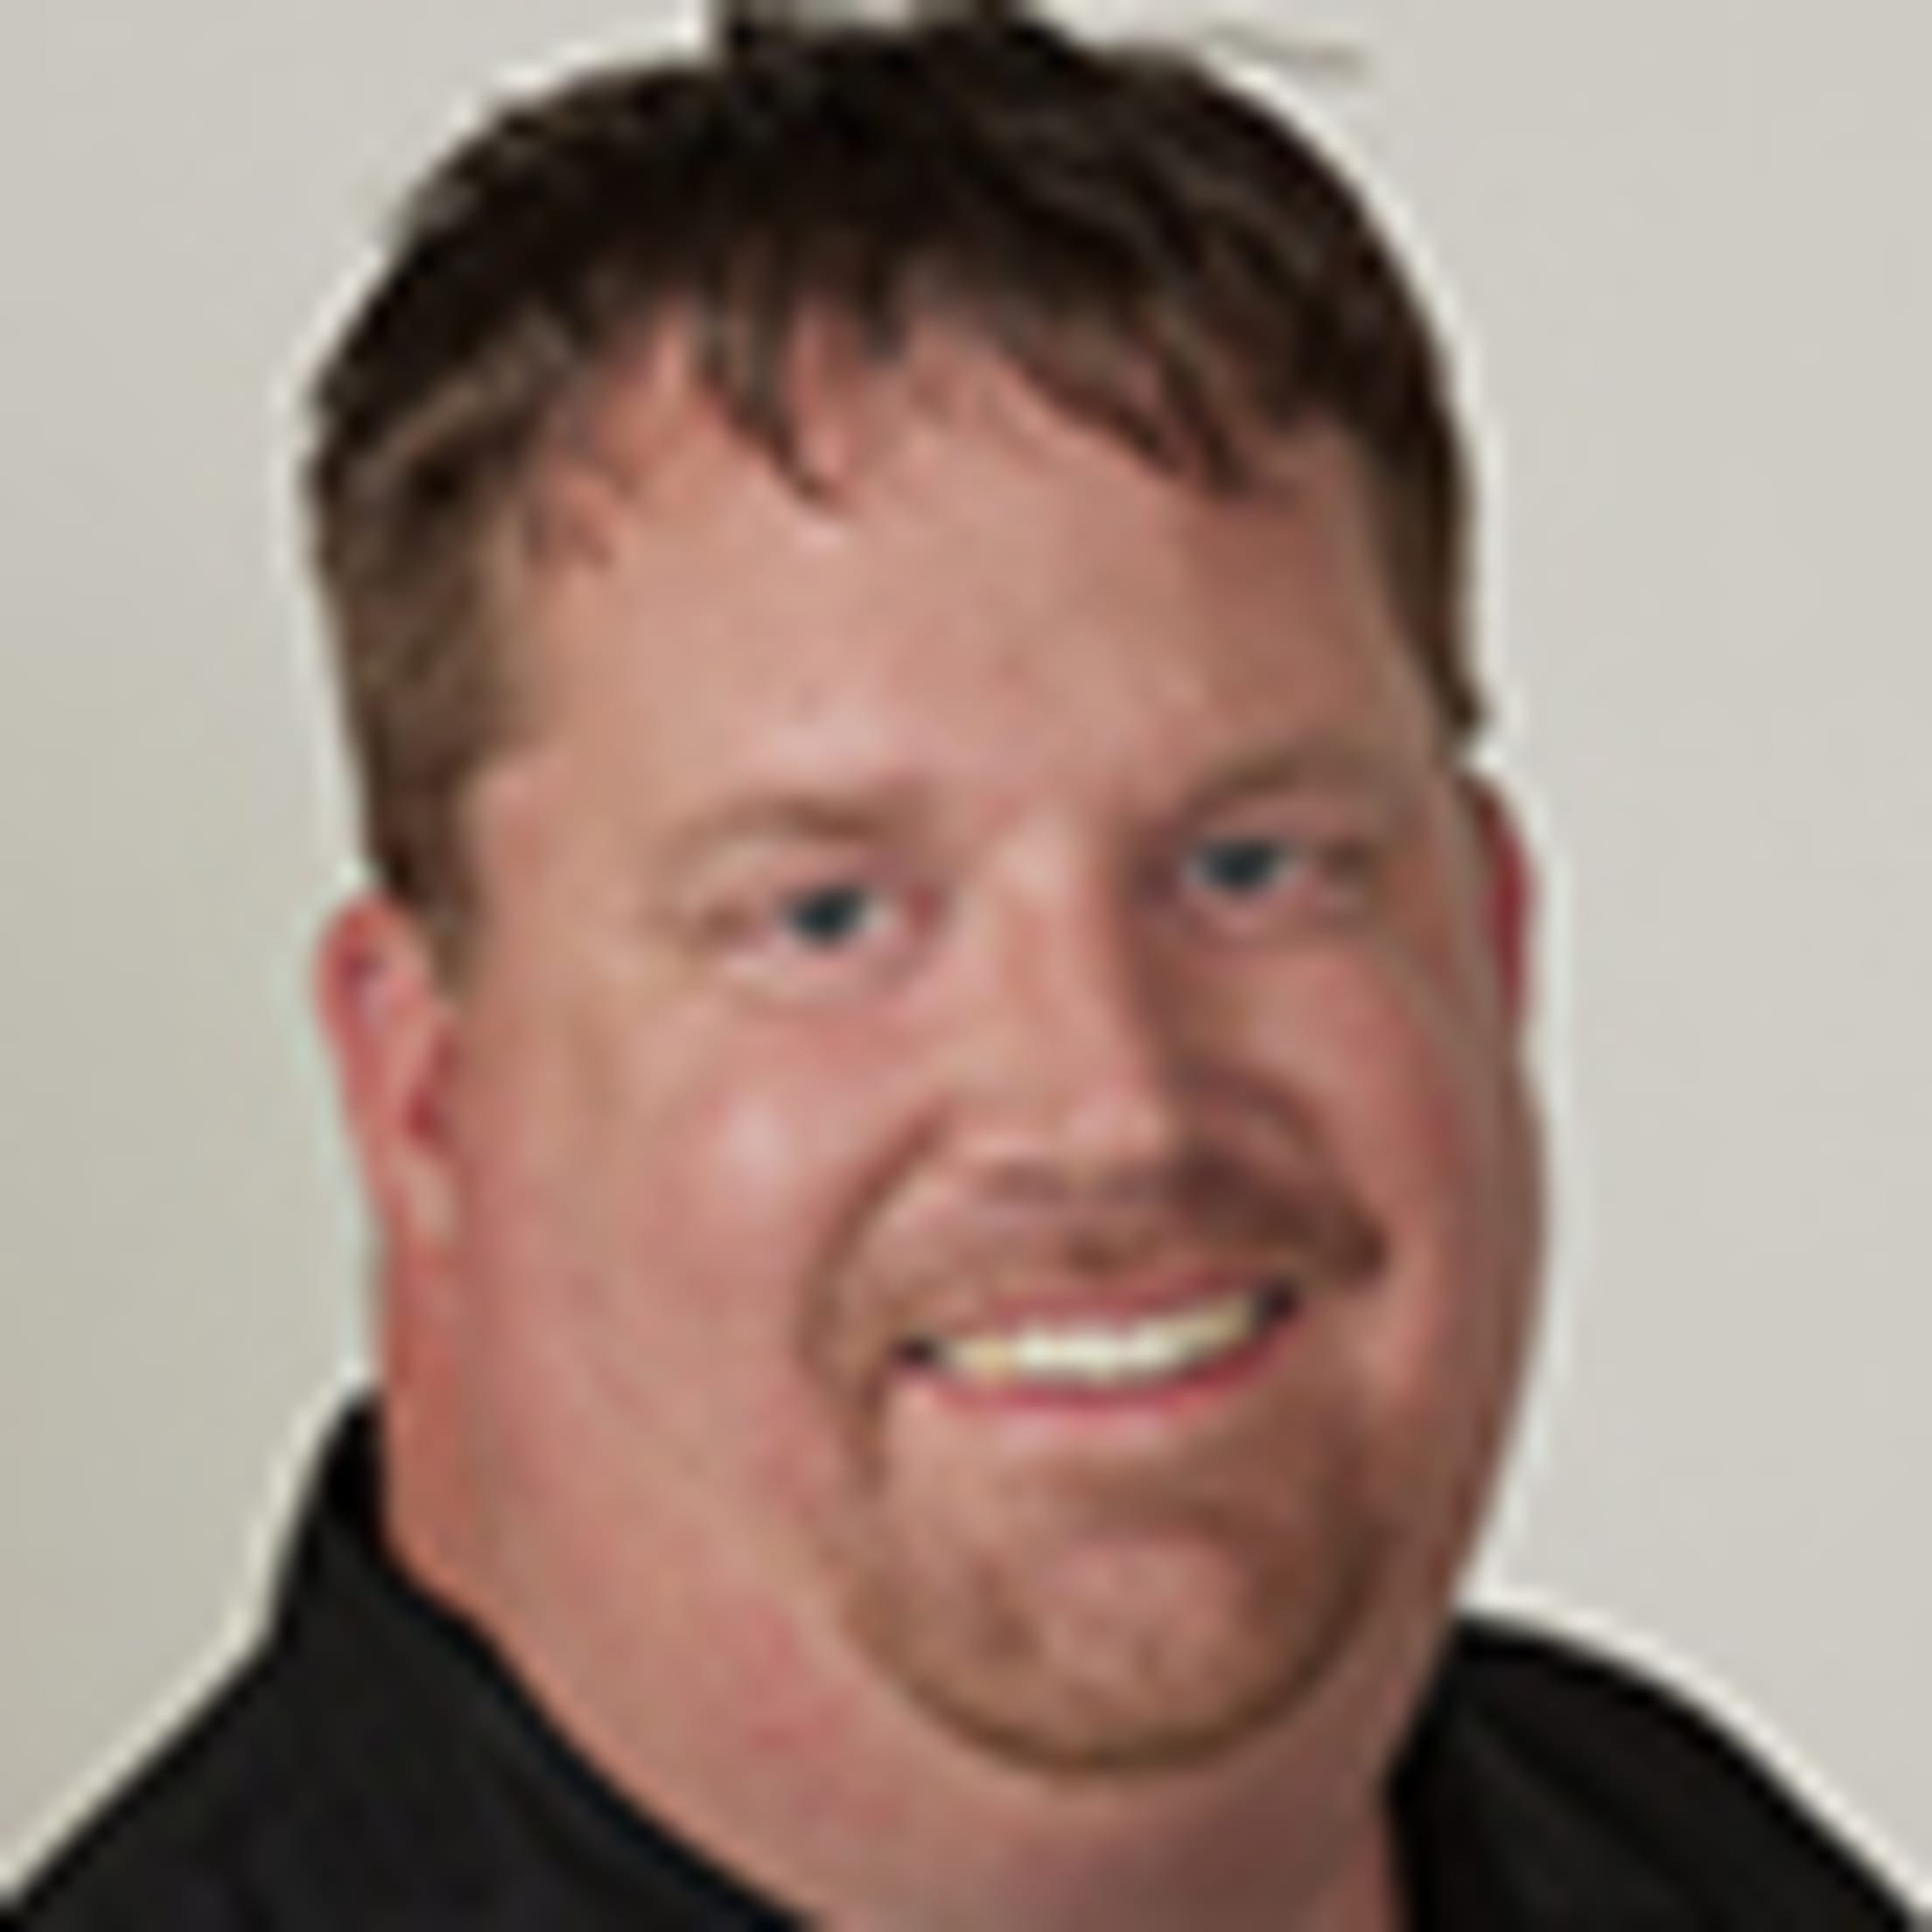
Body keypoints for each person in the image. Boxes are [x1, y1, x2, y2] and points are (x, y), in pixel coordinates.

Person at [10, 3, 1916, 1926]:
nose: (1110, 1099)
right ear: (424, 1088)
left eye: (1254, 867)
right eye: (828, 916)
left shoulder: (1671, 1854)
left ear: (1490, 945)